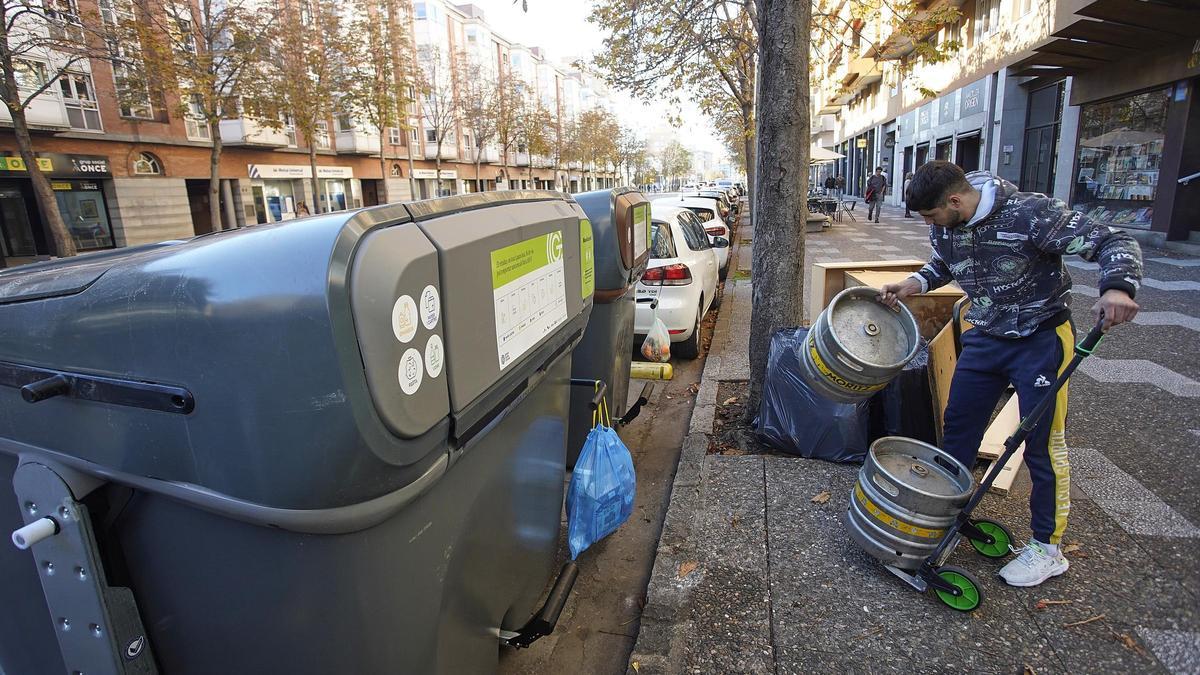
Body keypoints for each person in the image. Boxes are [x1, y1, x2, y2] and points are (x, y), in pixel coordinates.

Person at [881, 161, 1142, 588]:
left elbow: (1113, 239)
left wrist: (1118, 287)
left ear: (954, 200)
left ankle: (1047, 548)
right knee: (959, 430)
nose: (931, 225)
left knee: (1041, 441)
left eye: (931, 216)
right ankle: (946, 517)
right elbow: (944, 264)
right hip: (984, 336)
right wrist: (913, 283)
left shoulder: (1030, 213)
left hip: (1040, 339)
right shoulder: (947, 224)